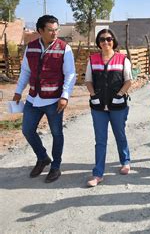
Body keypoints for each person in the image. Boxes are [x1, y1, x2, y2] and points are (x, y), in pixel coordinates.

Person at [12, 15, 76, 183]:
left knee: (57, 134)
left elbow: (70, 74)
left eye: (56, 30)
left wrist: (65, 96)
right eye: (50, 30)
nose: (54, 33)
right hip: (33, 99)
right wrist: (19, 91)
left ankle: (55, 166)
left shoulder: (64, 48)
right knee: (27, 130)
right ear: (40, 31)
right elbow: (25, 71)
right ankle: (42, 158)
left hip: (54, 100)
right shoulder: (31, 47)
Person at [85, 29, 132, 187]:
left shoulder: (122, 59)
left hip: (117, 106)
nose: (106, 42)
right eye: (102, 39)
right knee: (100, 140)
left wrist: (120, 95)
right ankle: (98, 174)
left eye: (109, 39)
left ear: (114, 41)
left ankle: (125, 161)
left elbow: (128, 81)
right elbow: (88, 81)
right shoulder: (92, 60)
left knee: (120, 134)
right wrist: (93, 96)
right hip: (98, 107)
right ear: (98, 42)